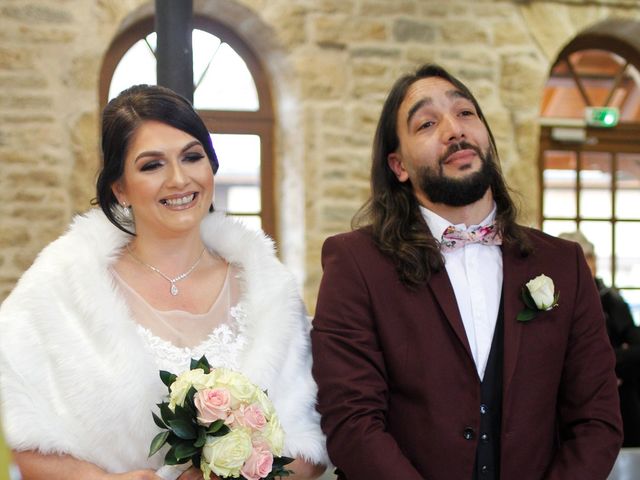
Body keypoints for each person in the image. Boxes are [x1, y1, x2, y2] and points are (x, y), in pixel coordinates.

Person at [311, 64, 622, 480]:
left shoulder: (563, 263)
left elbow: (596, 419)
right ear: (398, 165)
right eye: (426, 123)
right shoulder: (355, 262)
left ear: (486, 137)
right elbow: (351, 421)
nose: (453, 130)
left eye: (465, 113)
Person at [0, 85, 327, 480]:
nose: (178, 179)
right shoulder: (62, 287)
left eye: (192, 157)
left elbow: (309, 438)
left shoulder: (269, 290)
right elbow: (25, 435)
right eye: (151, 165)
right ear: (119, 187)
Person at [559, 230, 640, 447]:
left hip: (619, 400)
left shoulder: (612, 299)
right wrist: (615, 359)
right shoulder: (553, 299)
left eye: (588, 258)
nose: (585, 264)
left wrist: (608, 366)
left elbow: (637, 350)